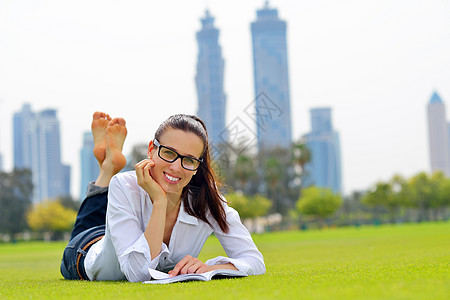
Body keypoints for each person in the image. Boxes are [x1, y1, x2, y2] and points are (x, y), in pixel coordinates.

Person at [60, 112, 266, 282]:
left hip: (116, 231)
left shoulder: (208, 200)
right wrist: (159, 201)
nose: (176, 167)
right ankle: (107, 170)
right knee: (87, 225)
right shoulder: (124, 185)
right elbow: (138, 273)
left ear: (197, 166)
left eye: (189, 160)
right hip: (86, 251)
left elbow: (255, 261)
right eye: (168, 153)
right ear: (151, 150)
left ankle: (108, 164)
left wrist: (209, 267)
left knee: (109, 226)